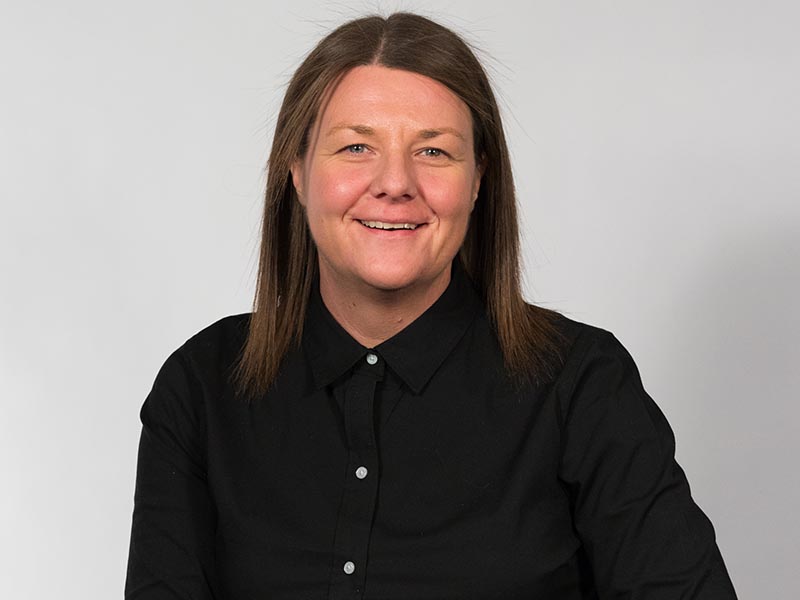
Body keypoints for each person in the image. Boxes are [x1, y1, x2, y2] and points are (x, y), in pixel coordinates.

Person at [125, 12, 737, 599]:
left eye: (434, 151)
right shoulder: (201, 388)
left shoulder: (581, 385)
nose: (395, 182)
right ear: (297, 171)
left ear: (477, 180)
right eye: (356, 148)